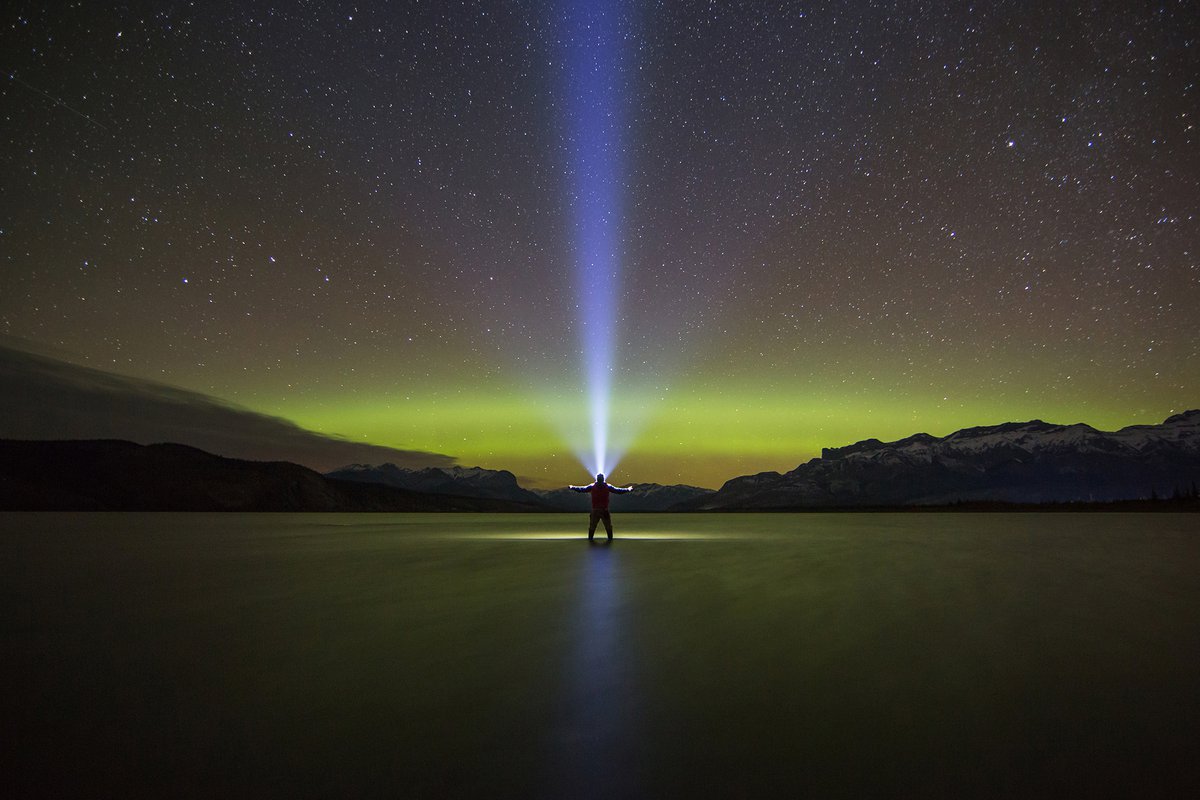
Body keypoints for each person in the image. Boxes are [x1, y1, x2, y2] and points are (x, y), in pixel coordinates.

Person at [568, 473, 634, 541]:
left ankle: (591, 540)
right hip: (604, 510)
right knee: (608, 527)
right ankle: (609, 539)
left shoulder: (593, 486)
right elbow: (618, 491)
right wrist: (628, 489)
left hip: (596, 510)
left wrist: (572, 487)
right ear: (603, 479)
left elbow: (581, 489)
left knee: (593, 527)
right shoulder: (607, 486)